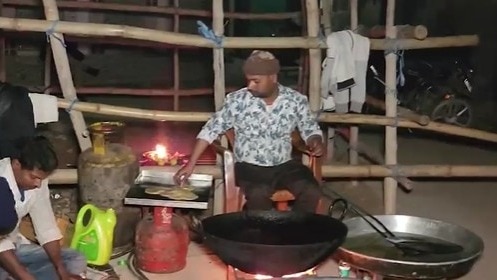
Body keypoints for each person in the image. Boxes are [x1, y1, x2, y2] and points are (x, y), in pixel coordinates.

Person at [174, 50, 325, 212]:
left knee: (311, 190)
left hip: (284, 165)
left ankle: (295, 232)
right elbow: (209, 130)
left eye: (256, 81)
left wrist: (314, 140)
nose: (250, 86)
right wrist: (191, 164)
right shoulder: (237, 101)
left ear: (273, 77)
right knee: (258, 194)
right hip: (249, 167)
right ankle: (263, 235)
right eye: (248, 81)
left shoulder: (295, 100)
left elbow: (310, 129)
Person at [0, 136, 87, 280]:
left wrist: (61, 270)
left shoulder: (38, 181)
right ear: (16, 165)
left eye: (42, 179)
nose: (38, 184)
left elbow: (45, 226)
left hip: (14, 248)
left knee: (74, 259)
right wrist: (24, 275)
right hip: (3, 251)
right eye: (33, 177)